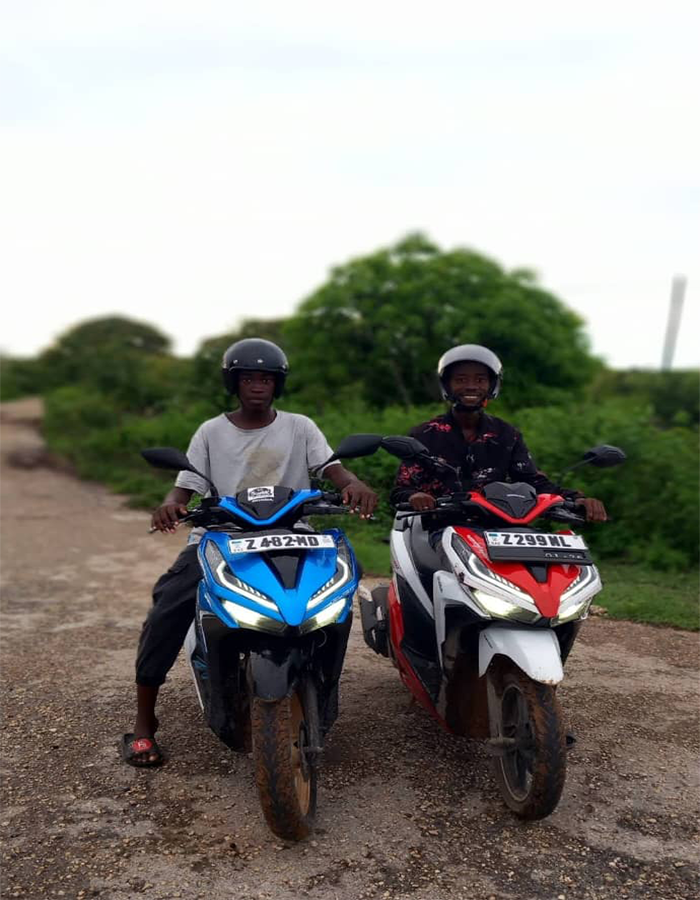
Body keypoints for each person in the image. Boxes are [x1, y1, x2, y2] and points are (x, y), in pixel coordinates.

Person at [121, 338, 377, 766]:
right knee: (169, 604)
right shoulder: (211, 432)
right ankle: (145, 722)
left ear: (278, 385)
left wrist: (353, 484)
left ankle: (318, 678)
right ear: (233, 384)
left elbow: (333, 469)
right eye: (248, 379)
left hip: (293, 532)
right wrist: (170, 504)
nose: (257, 386)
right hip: (222, 535)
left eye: (266, 379)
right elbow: (185, 487)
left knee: (344, 583)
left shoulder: (300, 427)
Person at [390, 344, 607, 522]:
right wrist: (416, 496)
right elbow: (401, 489)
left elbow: (533, 481)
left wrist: (577, 499)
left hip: (494, 528)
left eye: (480, 380)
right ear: (447, 385)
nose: (471, 386)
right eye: (461, 380)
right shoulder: (424, 434)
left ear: (492, 385)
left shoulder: (507, 434)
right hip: (433, 527)